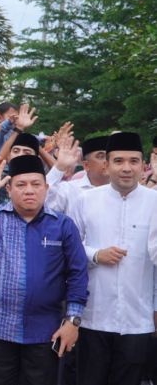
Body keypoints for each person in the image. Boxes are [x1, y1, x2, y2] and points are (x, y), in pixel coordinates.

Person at [0, 155, 89, 383]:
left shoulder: (62, 225)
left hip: (45, 332)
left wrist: (73, 321)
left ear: (46, 188)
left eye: (36, 184)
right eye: (21, 185)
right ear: (8, 189)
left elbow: (78, 273)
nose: (29, 191)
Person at [71, 132, 157, 385]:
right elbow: (70, 249)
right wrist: (96, 254)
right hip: (93, 317)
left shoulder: (154, 202)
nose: (126, 168)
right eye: (119, 161)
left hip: (138, 319)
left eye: (134, 161)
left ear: (143, 165)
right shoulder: (85, 200)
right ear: (106, 165)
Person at [45, 135, 109, 215]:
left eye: (111, 157)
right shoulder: (68, 190)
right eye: (101, 156)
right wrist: (59, 167)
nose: (107, 161)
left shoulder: (122, 190)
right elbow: (43, 202)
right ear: (86, 165)